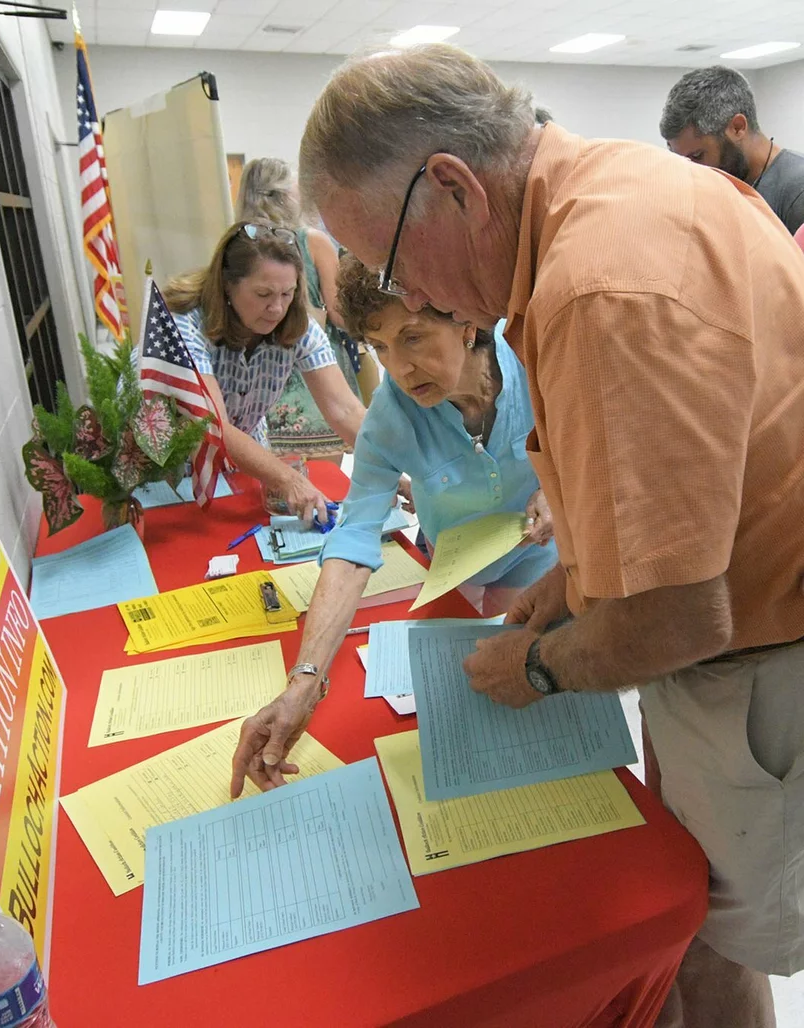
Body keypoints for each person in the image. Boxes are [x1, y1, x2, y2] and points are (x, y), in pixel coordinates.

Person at [291, 43, 804, 1028]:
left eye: (399, 267)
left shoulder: (594, 286)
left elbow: (679, 616)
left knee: (704, 935)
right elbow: (680, 483)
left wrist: (534, 665)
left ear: (451, 186)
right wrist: (570, 583)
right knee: (684, 921)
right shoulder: (617, 193)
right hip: (738, 642)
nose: (423, 303)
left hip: (755, 660)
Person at [231, 253, 556, 796]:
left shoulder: (532, 353)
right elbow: (353, 540)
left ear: (465, 319)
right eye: (379, 347)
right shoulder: (391, 416)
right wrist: (304, 682)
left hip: (541, 551)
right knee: (466, 698)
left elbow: (593, 431)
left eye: (412, 337)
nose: (398, 370)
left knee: (531, 697)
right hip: (451, 563)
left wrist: (558, 485)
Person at [163, 221, 366, 521]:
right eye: (263, 294)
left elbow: (345, 409)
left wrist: (391, 465)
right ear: (227, 285)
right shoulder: (184, 322)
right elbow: (214, 425)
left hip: (243, 462)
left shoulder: (300, 326)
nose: (276, 308)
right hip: (168, 470)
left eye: (287, 294)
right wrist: (289, 480)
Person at [236, 157, 364, 460]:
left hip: (261, 386)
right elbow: (340, 314)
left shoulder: (240, 245)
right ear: (285, 194)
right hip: (318, 385)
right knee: (327, 488)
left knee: (274, 489)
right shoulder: (312, 241)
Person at [661, 65, 804, 234]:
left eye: (697, 156)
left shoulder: (797, 190)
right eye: (682, 160)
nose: (692, 170)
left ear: (737, 127)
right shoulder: (727, 184)